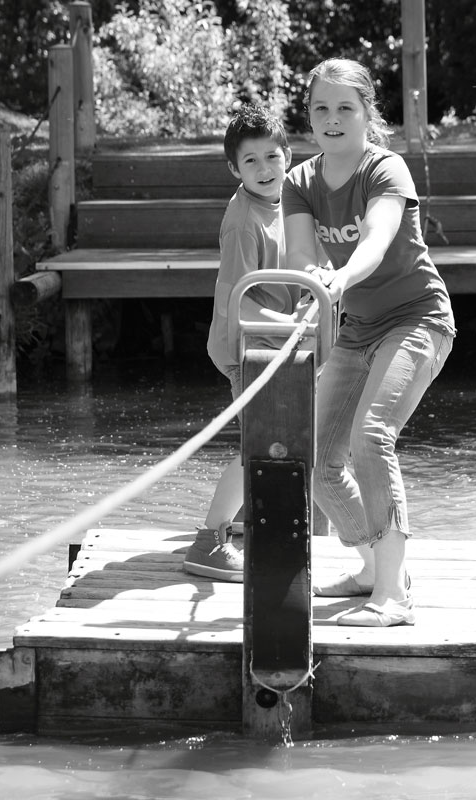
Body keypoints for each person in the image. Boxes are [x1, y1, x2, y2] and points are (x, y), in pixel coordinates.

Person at [282, 59, 455, 627]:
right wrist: (316, 281)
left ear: (366, 114)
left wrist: (340, 279)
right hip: (358, 325)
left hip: (418, 318)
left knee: (370, 436)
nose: (331, 120)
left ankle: (394, 597)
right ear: (309, 116)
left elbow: (377, 242)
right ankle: (369, 569)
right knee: (316, 455)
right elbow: (303, 255)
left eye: (344, 109)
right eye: (320, 109)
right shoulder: (299, 184)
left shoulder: (387, 170)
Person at [184, 104, 301, 582]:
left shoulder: (288, 202)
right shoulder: (242, 220)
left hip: (281, 343)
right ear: (234, 169)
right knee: (258, 445)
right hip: (248, 348)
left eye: (272, 156)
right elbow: (240, 301)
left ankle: (263, 522)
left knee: (288, 441)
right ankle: (209, 540)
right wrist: (295, 324)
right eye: (250, 162)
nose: (264, 169)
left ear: (288, 156)